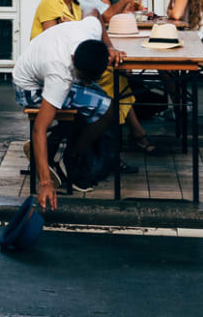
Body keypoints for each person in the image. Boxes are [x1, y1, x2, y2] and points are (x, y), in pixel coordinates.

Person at [30, 0, 149, 150]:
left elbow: (95, 18)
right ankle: (102, 148)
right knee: (112, 81)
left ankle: (105, 146)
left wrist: (109, 48)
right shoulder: (51, 2)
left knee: (115, 77)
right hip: (49, 74)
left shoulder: (76, 6)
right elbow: (51, 44)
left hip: (70, 69)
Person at [13, 16, 123, 209]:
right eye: (84, 77)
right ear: (73, 60)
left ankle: (58, 141)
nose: (87, 82)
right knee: (107, 108)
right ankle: (71, 157)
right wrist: (46, 183)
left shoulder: (90, 32)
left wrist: (110, 47)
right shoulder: (60, 75)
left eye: (93, 78)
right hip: (29, 89)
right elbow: (39, 128)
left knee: (97, 95)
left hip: (42, 71)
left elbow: (96, 17)